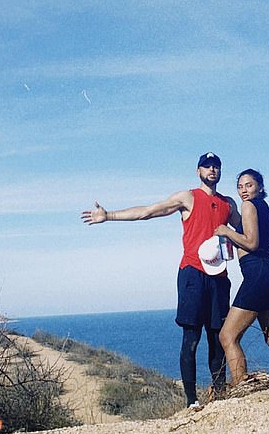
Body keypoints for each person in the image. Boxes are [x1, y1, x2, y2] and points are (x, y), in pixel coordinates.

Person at [81, 152, 240, 408]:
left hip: (219, 277)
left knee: (217, 338)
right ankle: (191, 401)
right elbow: (148, 212)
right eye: (207, 166)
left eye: (216, 166)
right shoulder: (187, 198)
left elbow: (245, 232)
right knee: (191, 339)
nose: (212, 170)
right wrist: (108, 216)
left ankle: (219, 395)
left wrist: (263, 247)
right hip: (192, 274)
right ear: (198, 171)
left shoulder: (228, 204)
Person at [214, 168, 269, 385]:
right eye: (240, 186)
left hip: (256, 275)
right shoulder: (266, 209)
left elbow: (251, 242)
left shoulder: (249, 206)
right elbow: (261, 241)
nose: (244, 191)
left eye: (249, 185)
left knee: (227, 336)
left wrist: (226, 231)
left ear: (260, 187)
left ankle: (240, 387)